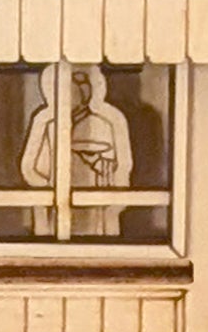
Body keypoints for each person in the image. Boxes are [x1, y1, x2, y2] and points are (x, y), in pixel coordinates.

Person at [19, 61, 133, 236]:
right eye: (62, 92)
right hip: (55, 205)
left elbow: (121, 168)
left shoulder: (104, 123)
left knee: (93, 236)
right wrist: (47, 185)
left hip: (94, 201)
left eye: (72, 92)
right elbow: (29, 167)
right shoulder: (46, 123)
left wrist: (101, 165)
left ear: (85, 94)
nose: (67, 98)